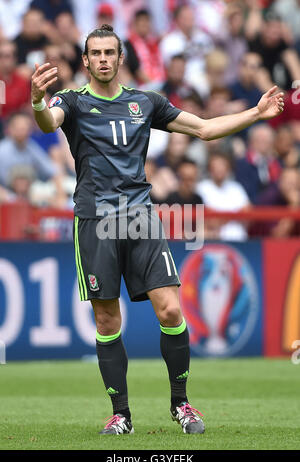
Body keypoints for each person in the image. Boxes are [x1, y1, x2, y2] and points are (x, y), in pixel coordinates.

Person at [31, 24, 284, 435]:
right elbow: (47, 123)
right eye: (95, 53)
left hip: (139, 217)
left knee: (170, 309)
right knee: (108, 321)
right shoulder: (73, 102)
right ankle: (122, 415)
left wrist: (256, 114)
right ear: (85, 60)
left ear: (120, 57)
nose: (103, 59)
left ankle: (181, 405)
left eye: (109, 52)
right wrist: (38, 101)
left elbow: (203, 128)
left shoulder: (145, 102)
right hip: (95, 221)